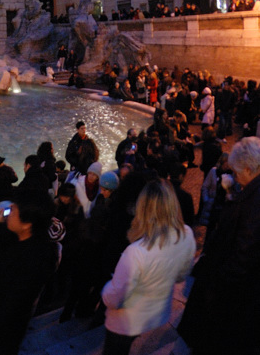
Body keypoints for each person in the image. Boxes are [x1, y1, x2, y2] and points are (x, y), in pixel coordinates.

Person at [179, 137, 260, 353]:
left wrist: (215, 287)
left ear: (250, 168)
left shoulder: (254, 202)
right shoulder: (252, 192)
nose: (236, 176)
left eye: (238, 172)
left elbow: (243, 253)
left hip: (229, 292)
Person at [100, 180, 195, 355]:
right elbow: (181, 276)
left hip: (126, 322)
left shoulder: (136, 252)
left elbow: (113, 298)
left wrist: (106, 287)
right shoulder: (187, 234)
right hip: (156, 313)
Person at [0, 191, 58, 355]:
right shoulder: (23, 236)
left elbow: (10, 309)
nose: (9, 212)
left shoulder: (34, 261)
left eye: (13, 209)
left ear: (27, 223)